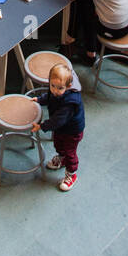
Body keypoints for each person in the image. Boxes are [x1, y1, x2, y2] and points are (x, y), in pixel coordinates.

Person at [31, 62, 85, 192]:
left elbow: (58, 120)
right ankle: (61, 158)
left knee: (70, 152)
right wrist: (39, 100)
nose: (55, 90)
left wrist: (41, 126)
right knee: (58, 144)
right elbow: (49, 97)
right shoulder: (55, 92)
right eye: (52, 85)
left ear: (68, 86)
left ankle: (71, 174)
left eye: (60, 88)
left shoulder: (71, 101)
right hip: (62, 128)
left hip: (72, 131)